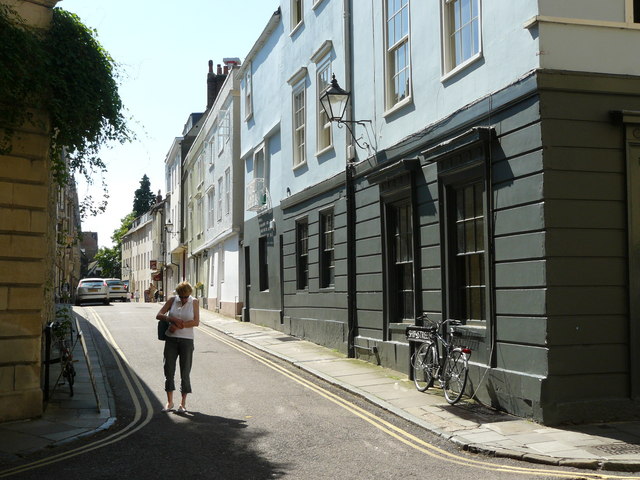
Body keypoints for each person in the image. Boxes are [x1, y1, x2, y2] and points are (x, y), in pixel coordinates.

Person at [155, 281, 199, 413]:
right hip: (171, 340)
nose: (184, 299)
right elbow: (159, 315)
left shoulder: (194, 302)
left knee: (185, 371)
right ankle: (169, 402)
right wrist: (172, 320)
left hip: (187, 340)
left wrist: (180, 325)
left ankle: (183, 403)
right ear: (178, 294)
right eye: (182, 297)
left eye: (186, 297)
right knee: (168, 369)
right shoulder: (172, 300)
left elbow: (196, 322)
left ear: (189, 294)